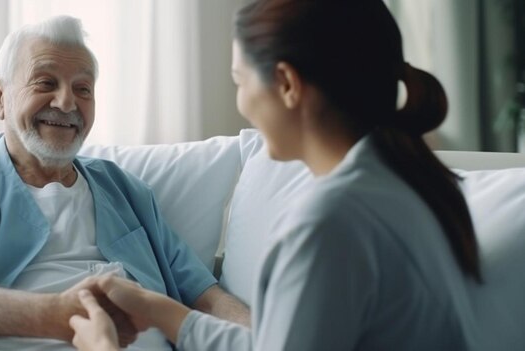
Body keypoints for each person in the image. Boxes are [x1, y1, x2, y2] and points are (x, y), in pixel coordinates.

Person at [68, 0, 483, 350]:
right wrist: (163, 312)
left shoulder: (329, 222)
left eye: (239, 80)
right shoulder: (409, 183)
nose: (242, 103)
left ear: (286, 83)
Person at [0, 15, 249, 351]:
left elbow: (207, 296)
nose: (67, 102)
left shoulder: (126, 190)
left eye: (83, 88)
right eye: (46, 82)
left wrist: (274, 340)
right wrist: (58, 316)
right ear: (0, 97)